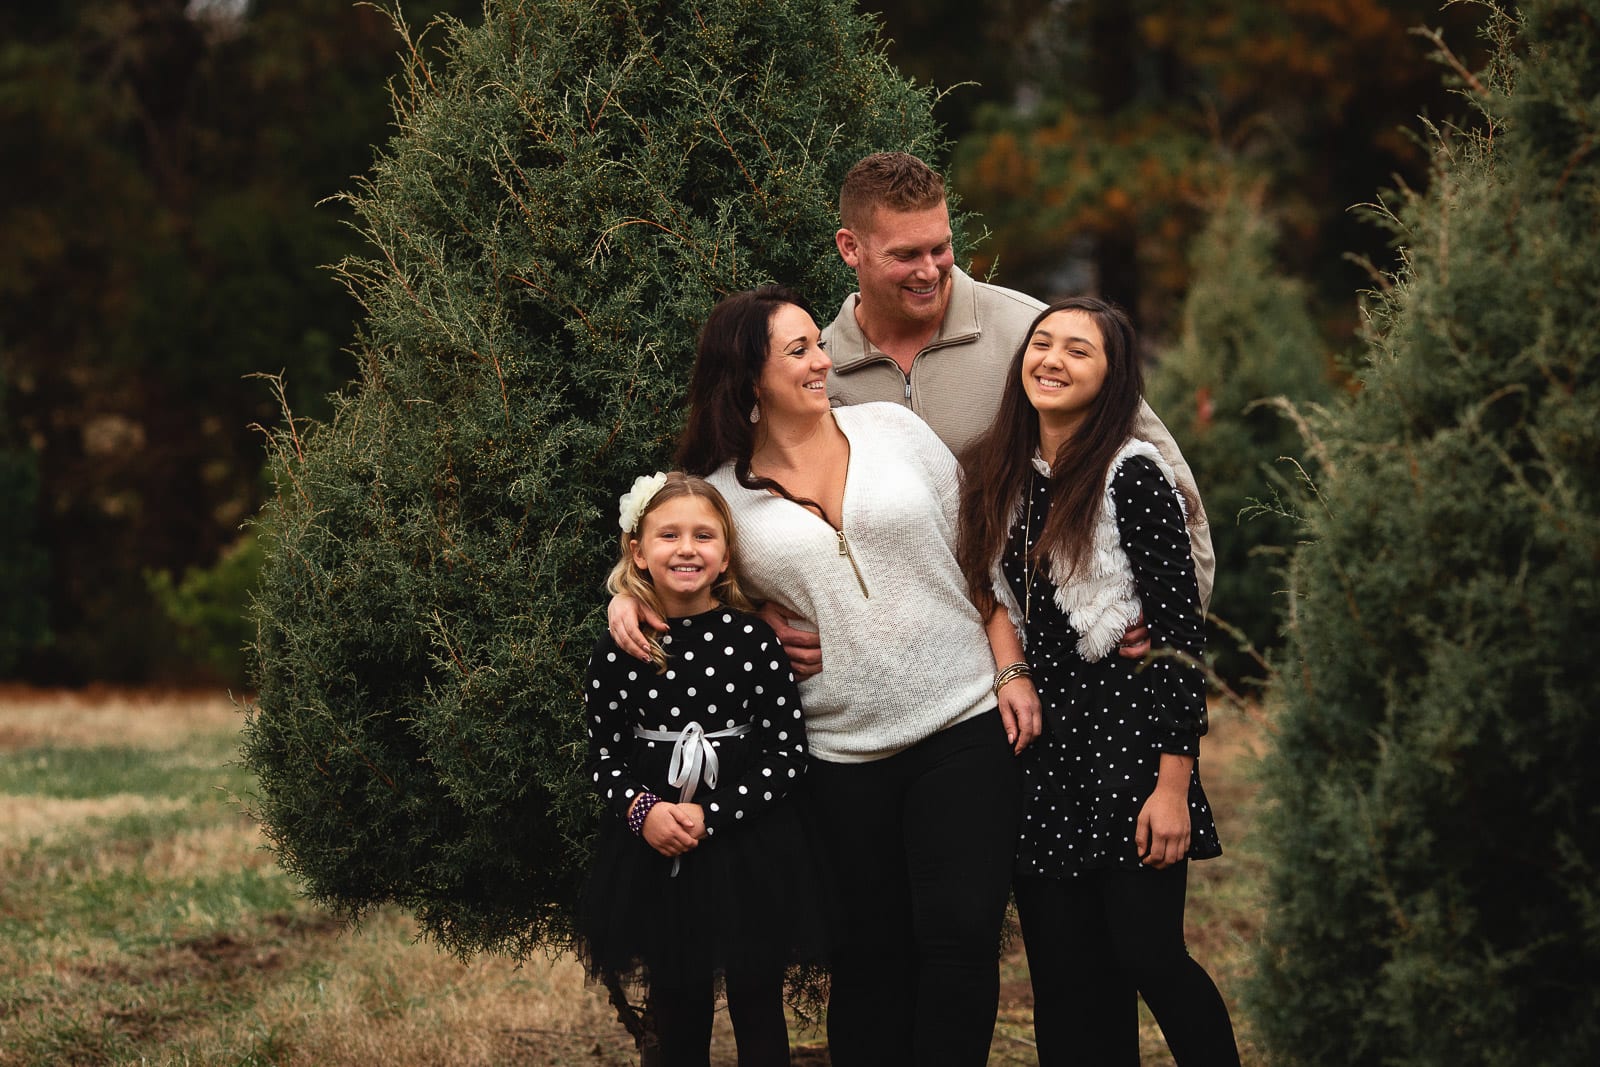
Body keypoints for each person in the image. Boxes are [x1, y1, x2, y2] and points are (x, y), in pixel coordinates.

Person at [607, 152, 1210, 675]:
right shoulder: (814, 371)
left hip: (1065, 660)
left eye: (940, 248)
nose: (930, 270)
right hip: (918, 685)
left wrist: (1172, 625)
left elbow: (1169, 483)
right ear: (850, 248)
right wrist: (654, 595)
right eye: (906, 255)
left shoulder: (1033, 336)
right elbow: (719, 507)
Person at [669, 285, 1040, 1065]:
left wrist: (1010, 664)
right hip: (838, 753)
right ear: (748, 376)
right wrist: (750, 618)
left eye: (818, 343)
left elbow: (977, 550)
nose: (822, 361)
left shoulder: (893, 430)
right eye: (799, 350)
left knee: (961, 938)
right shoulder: (720, 496)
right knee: (870, 958)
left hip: (963, 721)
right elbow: (669, 577)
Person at [957, 296, 1240, 1066]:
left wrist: (1174, 784)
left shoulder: (1131, 475)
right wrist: (1012, 667)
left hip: (1131, 751)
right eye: (1042, 343)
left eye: (1078, 350)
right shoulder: (1003, 473)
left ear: (1113, 377)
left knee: (1150, 955)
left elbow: (1180, 640)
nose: (1051, 359)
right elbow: (985, 587)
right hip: (1047, 757)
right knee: (1065, 979)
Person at [576, 471, 830, 1067]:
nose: (687, 548)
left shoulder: (753, 639)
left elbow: (786, 754)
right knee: (677, 1003)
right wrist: (645, 812)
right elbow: (604, 756)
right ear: (638, 551)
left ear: (726, 555)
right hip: (658, 851)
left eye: (704, 536)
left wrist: (709, 813)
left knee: (756, 999)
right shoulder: (621, 646)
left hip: (747, 846)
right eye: (669, 535)